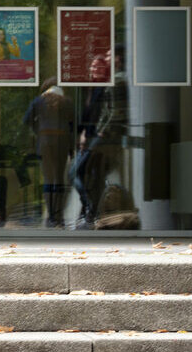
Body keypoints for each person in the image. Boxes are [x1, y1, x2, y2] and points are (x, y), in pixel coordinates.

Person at [71, 47, 128, 230]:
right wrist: (83, 134)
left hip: (100, 137)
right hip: (90, 136)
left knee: (80, 172)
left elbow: (110, 112)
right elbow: (90, 116)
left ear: (117, 59)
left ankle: (90, 209)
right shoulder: (92, 88)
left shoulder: (109, 84)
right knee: (83, 174)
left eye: (100, 66)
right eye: (93, 67)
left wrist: (101, 132)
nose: (96, 69)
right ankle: (89, 209)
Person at [23, 77, 75, 228]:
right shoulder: (67, 102)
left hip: (45, 144)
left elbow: (27, 120)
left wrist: (39, 131)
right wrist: (71, 148)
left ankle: (50, 216)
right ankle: (58, 217)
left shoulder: (39, 101)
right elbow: (73, 126)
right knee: (59, 179)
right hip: (62, 144)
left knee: (48, 179)